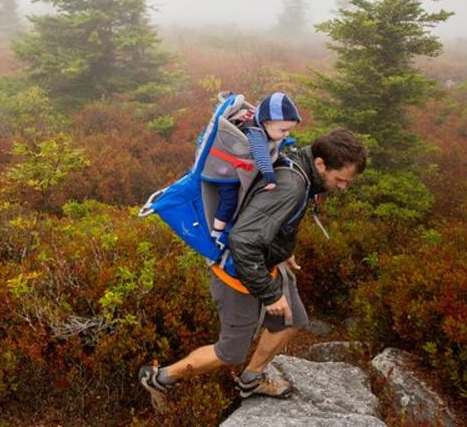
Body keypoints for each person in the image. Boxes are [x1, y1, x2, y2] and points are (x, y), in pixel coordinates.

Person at [139, 127, 368, 413]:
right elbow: (243, 242)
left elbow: (264, 218)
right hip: (236, 272)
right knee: (229, 352)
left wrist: (282, 248)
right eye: (341, 180)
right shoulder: (292, 185)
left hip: (265, 263)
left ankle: (251, 379)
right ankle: (159, 378)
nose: (343, 187)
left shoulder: (301, 165)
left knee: (291, 319)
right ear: (321, 163)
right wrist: (270, 295)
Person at [212, 92, 301, 234]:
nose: (287, 133)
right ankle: (217, 231)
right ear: (266, 123)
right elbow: (261, 155)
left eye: (289, 130)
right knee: (229, 201)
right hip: (226, 170)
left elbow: (273, 143)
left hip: (238, 165)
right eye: (283, 130)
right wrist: (269, 177)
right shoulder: (255, 133)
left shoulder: (262, 123)